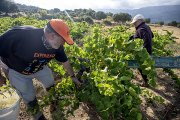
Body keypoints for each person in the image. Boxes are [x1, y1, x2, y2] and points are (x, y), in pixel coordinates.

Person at [0, 19, 82, 120]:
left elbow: (65, 61)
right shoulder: (21, 35)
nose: (63, 44)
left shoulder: (57, 45)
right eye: (63, 40)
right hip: (18, 72)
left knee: (50, 84)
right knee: (29, 97)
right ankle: (38, 117)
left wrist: (73, 76)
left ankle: (53, 102)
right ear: (52, 36)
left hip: (40, 67)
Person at [129, 14, 154, 87]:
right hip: (148, 51)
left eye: (135, 22)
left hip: (143, 52)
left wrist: (141, 51)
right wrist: (134, 36)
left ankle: (146, 82)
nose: (134, 24)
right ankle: (147, 80)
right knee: (144, 67)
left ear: (140, 21)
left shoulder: (140, 29)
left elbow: (142, 40)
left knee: (141, 67)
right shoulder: (146, 26)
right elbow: (152, 36)